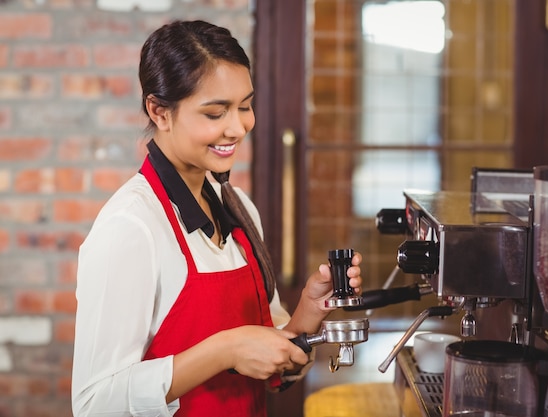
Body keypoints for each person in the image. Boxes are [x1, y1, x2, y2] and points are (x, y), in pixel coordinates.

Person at [71, 20, 363, 417]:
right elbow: (93, 404)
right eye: (214, 113)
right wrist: (226, 348)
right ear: (159, 112)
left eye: (245, 106)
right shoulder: (131, 227)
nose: (237, 127)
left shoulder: (239, 208)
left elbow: (266, 358)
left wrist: (306, 316)